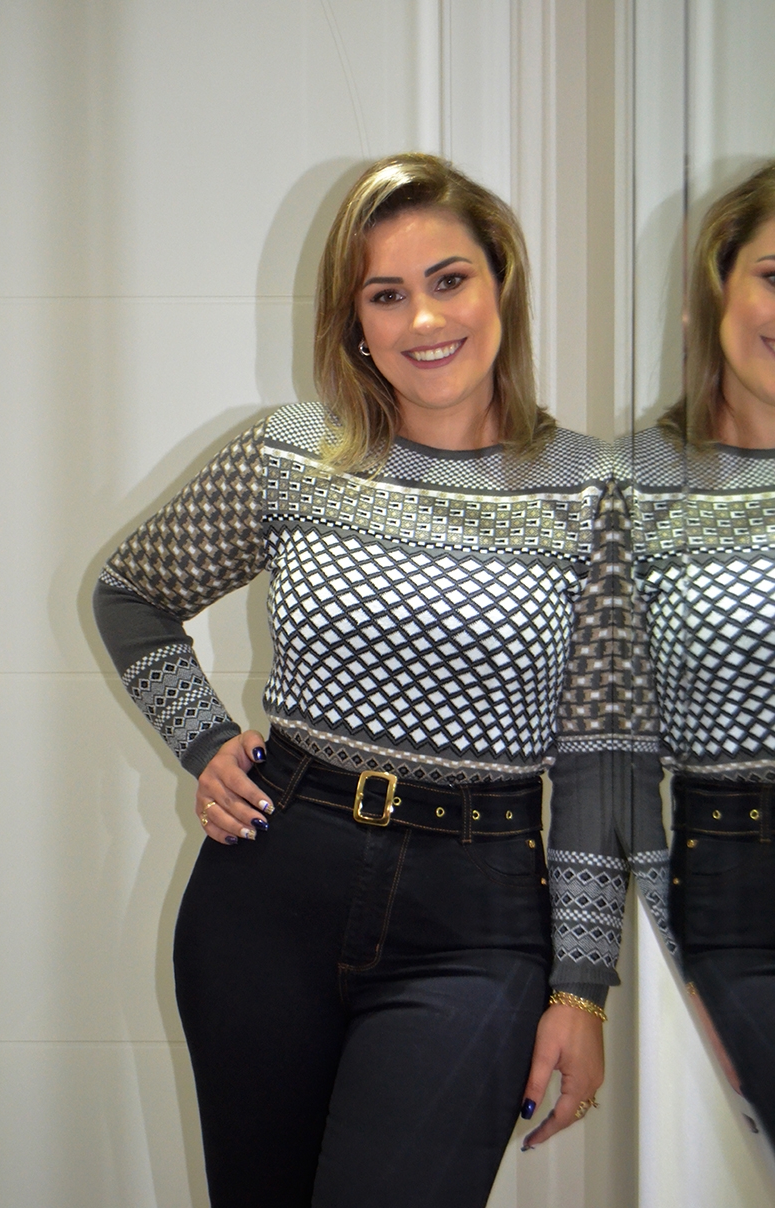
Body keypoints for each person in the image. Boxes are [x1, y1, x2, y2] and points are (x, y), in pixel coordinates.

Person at [94, 153, 638, 1208]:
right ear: (353, 322)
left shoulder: (593, 492)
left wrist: (581, 989)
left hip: (476, 918)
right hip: (269, 893)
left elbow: (598, 765)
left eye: (449, 279)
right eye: (385, 294)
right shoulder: (292, 455)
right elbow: (131, 593)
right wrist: (203, 739)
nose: (422, 318)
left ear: (501, 286)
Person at [616, 160, 775, 1147]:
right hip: (736, 895)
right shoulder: (633, 487)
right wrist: (672, 965)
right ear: (717, 288)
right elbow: (612, 760)